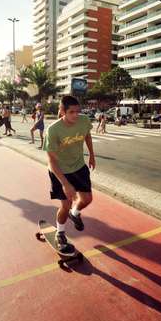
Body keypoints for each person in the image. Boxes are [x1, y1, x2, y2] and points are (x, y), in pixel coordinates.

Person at [43, 95, 95, 254]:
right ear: (62, 111)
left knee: (87, 199)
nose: (75, 115)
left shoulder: (84, 120)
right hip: (60, 170)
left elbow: (87, 135)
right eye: (71, 112)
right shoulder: (53, 130)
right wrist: (65, 184)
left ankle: (75, 213)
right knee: (65, 205)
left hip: (79, 166)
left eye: (77, 111)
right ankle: (60, 233)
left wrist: (92, 155)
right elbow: (51, 160)